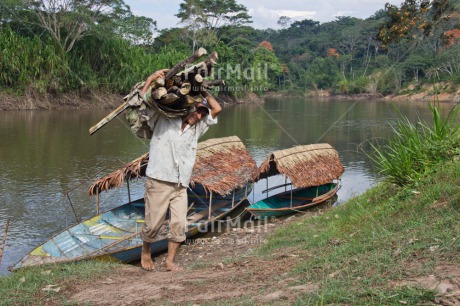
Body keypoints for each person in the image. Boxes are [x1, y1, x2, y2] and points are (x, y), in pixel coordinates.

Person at [138, 69, 222, 271]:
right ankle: (146, 251)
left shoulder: (197, 129)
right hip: (159, 178)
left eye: (202, 113)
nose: (199, 115)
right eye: (197, 111)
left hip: (180, 183)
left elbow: (216, 108)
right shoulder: (164, 119)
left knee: (178, 224)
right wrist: (150, 79)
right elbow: (142, 101)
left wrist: (202, 91)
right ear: (188, 109)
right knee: (153, 223)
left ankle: (169, 261)